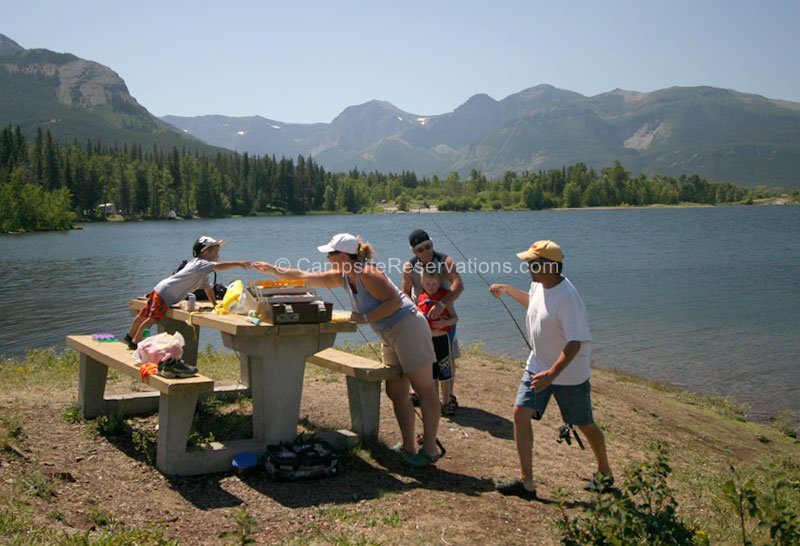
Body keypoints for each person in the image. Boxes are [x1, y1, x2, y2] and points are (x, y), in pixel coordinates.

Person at [253, 233, 443, 467]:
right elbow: (306, 277)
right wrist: (274, 270)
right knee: (396, 392)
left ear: (343, 255)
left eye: (330, 255)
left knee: (424, 389)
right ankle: (408, 446)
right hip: (388, 332)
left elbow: (395, 301)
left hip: (408, 327)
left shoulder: (368, 274)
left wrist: (363, 317)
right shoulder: (344, 275)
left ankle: (431, 448)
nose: (328, 259)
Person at [489, 240, 613, 500]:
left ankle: (605, 472)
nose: (528, 268)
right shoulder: (539, 284)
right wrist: (508, 290)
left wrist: (553, 374)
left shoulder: (567, 297)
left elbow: (575, 341)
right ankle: (526, 482)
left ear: (550, 266)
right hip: (537, 364)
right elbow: (534, 303)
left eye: (533, 263)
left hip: (568, 374)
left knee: (583, 423)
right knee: (520, 412)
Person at [125, 236, 251, 349]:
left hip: (162, 289)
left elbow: (208, 289)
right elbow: (219, 266)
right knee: (151, 319)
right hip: (165, 293)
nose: (218, 256)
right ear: (206, 253)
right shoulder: (200, 263)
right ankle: (136, 342)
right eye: (216, 252)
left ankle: (129, 337)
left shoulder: (202, 271)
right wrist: (238, 263)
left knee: (144, 314)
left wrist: (215, 305)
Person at [402, 229, 464, 415]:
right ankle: (421, 393)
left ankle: (449, 397)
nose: (426, 251)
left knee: (447, 358)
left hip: (445, 315)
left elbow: (458, 285)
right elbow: (404, 292)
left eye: (428, 246)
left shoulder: (445, 261)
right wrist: (415, 310)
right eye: (421, 249)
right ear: (414, 252)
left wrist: (443, 304)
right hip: (421, 315)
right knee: (423, 358)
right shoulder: (409, 266)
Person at [416, 269, 459, 416]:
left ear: (439, 283)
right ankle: (435, 402)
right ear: (422, 284)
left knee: (445, 372)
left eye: (434, 283)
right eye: (428, 284)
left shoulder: (444, 299)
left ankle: (446, 402)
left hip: (442, 339)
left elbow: (455, 318)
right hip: (428, 341)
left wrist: (444, 323)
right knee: (432, 374)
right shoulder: (420, 298)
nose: (431, 287)